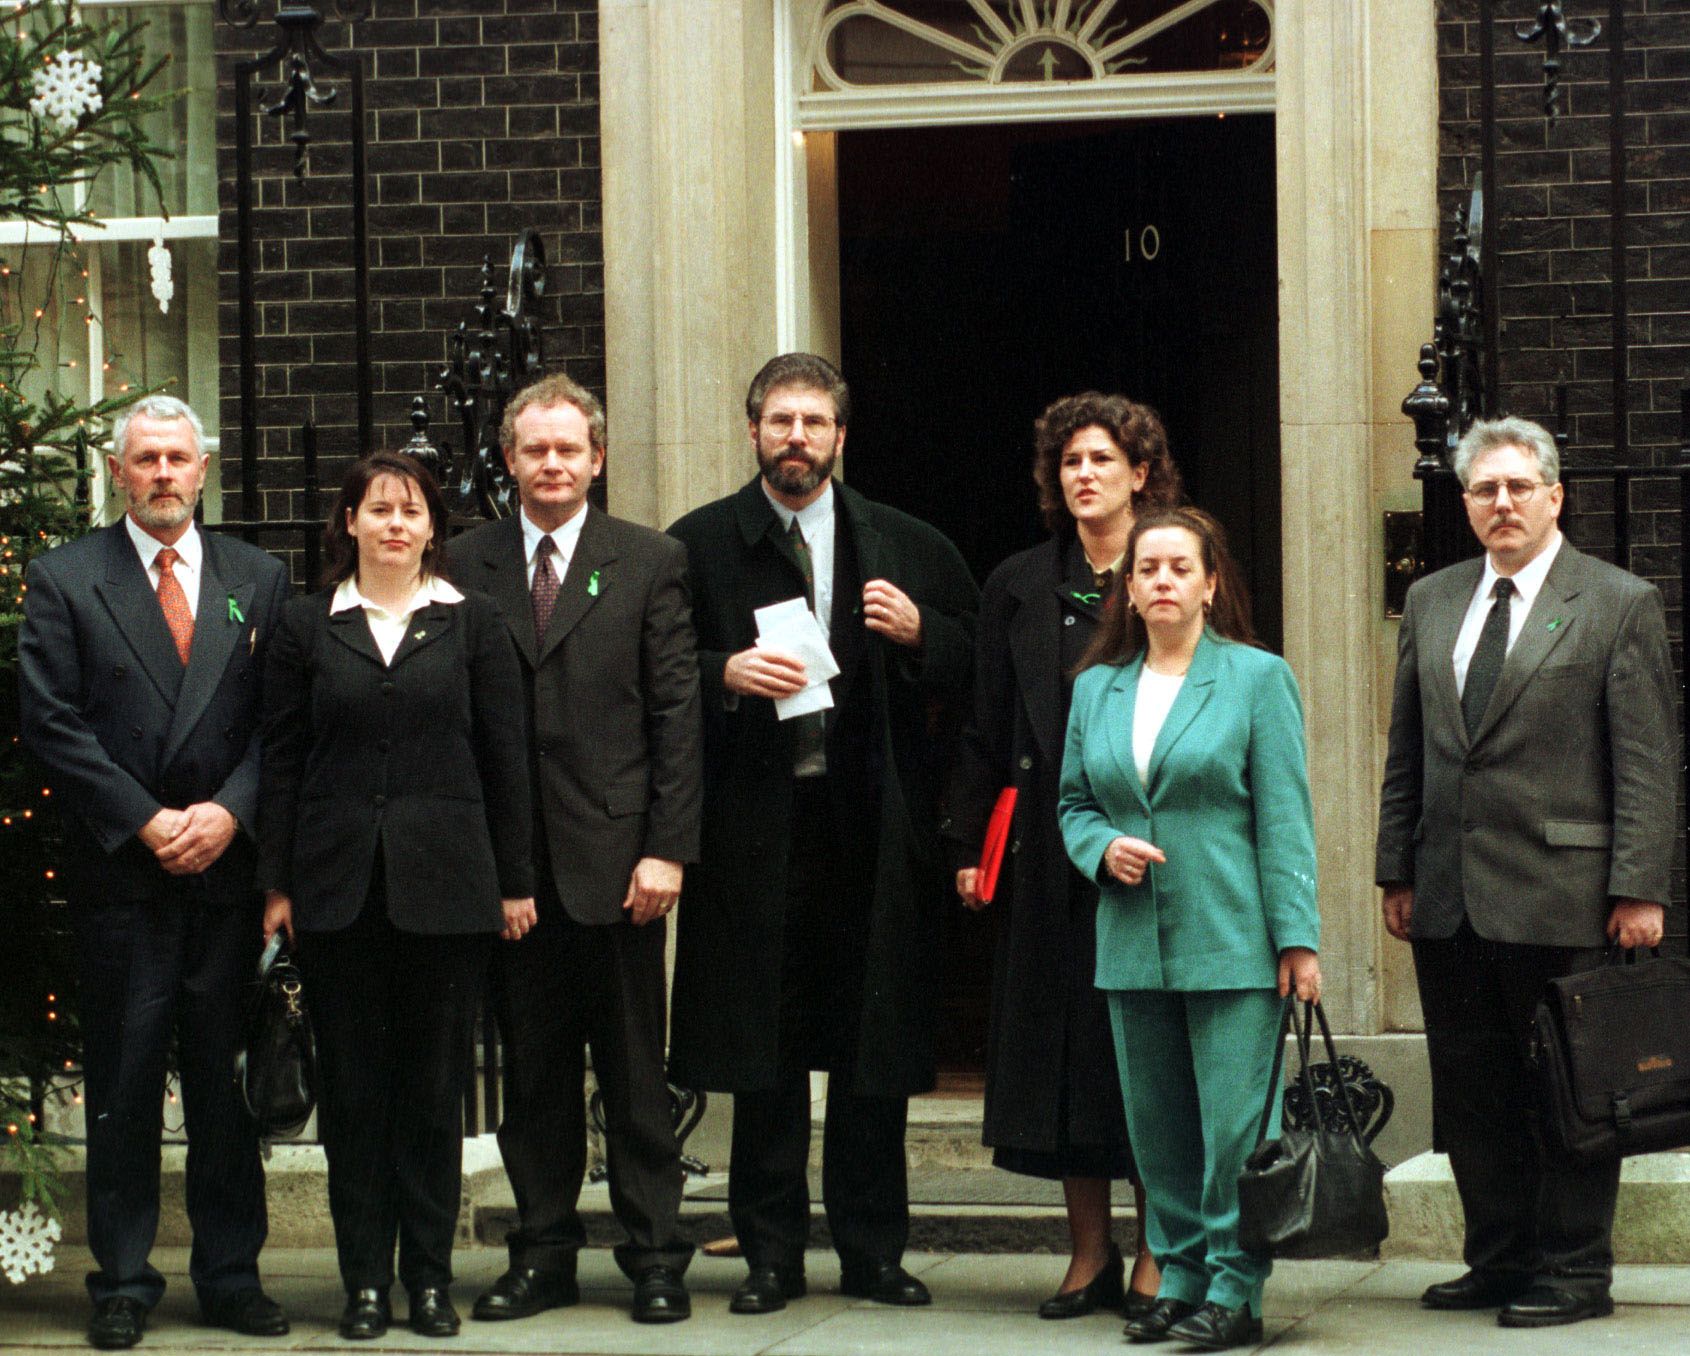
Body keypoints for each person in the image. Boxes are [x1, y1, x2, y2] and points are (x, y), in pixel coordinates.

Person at [667, 353, 978, 1314]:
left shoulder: (909, 543)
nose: (795, 438)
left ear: (841, 435)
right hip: (755, 830)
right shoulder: (698, 544)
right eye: (779, 420)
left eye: (813, 421)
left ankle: (873, 1251)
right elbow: (654, 671)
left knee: (869, 1052)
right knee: (763, 1054)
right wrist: (724, 672)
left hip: (871, 831)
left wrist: (923, 634)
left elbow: (980, 673)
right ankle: (771, 1255)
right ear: (752, 431)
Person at [1375, 416, 1675, 1329]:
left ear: (1555, 495)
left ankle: (1575, 1272)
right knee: (1475, 1094)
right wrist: (1395, 868)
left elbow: (1647, 759)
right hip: (1449, 895)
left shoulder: (1616, 601)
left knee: (1570, 1090)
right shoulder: (1433, 600)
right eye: (1484, 489)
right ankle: (1498, 1259)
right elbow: (1408, 749)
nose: (1501, 503)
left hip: (1565, 894)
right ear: (1466, 504)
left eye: (1518, 486)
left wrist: (1640, 886)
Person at [18, 396, 292, 1351]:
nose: (164, 473)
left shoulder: (259, 577)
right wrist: (145, 819)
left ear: (204, 468)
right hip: (124, 878)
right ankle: (124, 1282)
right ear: (117, 472)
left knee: (224, 1087)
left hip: (225, 872)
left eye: (179, 457)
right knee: (124, 1084)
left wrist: (231, 812)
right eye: (146, 459)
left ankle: (231, 1277)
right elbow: (50, 720)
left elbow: (282, 718)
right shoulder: (65, 578)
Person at [256, 452, 534, 1341]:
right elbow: (283, 760)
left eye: (411, 511)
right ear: (350, 522)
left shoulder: (474, 622)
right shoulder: (306, 626)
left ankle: (429, 1281)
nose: (395, 525)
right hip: (337, 894)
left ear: (432, 528)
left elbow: (504, 758)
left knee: (432, 1093)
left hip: (447, 893)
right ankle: (365, 1284)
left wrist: (516, 882)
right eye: (378, 509)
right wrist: (276, 883)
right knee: (353, 1096)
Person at [454, 374, 702, 1325]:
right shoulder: (465, 562)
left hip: (620, 866)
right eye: (535, 449)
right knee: (534, 1080)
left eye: (569, 449)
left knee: (638, 1080)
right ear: (508, 459)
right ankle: (543, 1255)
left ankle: (656, 1257)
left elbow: (676, 713)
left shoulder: (649, 559)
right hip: (515, 875)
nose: (552, 464)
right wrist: (490, 867)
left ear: (598, 458)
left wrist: (666, 849)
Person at [1059, 505, 1320, 1352]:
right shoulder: (1097, 688)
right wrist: (1102, 849)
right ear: (1128, 591)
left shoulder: (1256, 678)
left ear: (1211, 585)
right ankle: (1178, 1280)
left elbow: (1286, 818)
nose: (1163, 581)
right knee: (1159, 1132)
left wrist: (1298, 939)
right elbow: (1074, 803)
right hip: (1132, 942)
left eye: (1180, 567)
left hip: (1233, 940)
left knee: (1234, 1134)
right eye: (1148, 569)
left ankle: (1236, 1290)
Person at [946, 393, 1180, 1318]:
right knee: (1064, 1060)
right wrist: (969, 843)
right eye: (1070, 461)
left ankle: (1160, 1253)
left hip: (1151, 850)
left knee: (1146, 1057)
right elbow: (985, 725)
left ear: (1141, 474)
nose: (1083, 475)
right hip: (1047, 854)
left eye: (1102, 460)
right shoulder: (1018, 582)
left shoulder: (1172, 564)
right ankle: (1089, 1254)